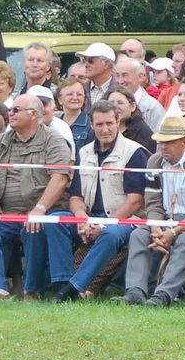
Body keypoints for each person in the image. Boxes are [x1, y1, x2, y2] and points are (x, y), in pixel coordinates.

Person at [0, 94, 75, 303]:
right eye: (10, 110)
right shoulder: (0, 142)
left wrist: (39, 209)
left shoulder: (53, 140)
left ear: (34, 114)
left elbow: (60, 178)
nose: (10, 113)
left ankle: (32, 291)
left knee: (34, 226)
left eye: (16, 110)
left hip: (44, 209)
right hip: (5, 213)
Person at [56, 100, 149, 302]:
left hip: (125, 220)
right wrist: (81, 218)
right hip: (90, 217)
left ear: (118, 121)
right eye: (99, 124)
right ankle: (59, 281)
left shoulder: (135, 152)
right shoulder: (84, 152)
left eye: (109, 123)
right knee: (57, 221)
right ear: (91, 124)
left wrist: (102, 224)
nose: (104, 129)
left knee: (110, 234)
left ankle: (73, 288)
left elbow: (135, 201)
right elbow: (76, 196)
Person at [123, 113, 185, 306]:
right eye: (161, 142)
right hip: (162, 218)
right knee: (139, 234)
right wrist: (156, 228)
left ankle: (163, 294)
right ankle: (135, 291)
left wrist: (173, 232)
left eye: (169, 142)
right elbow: (152, 202)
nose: (163, 146)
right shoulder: (154, 162)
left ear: (184, 142)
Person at [111, 57, 166, 131]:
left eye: (125, 75)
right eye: (117, 75)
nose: (120, 81)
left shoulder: (152, 108)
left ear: (141, 77)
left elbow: (158, 140)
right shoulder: (109, 103)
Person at [107, 87, 157, 152]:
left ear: (133, 106)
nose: (115, 107)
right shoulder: (102, 128)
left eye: (120, 103)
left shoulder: (142, 133)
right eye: (111, 103)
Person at [57, 79, 93, 154]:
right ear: (60, 99)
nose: (75, 97)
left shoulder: (91, 125)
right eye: (69, 94)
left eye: (79, 94)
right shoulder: (54, 124)